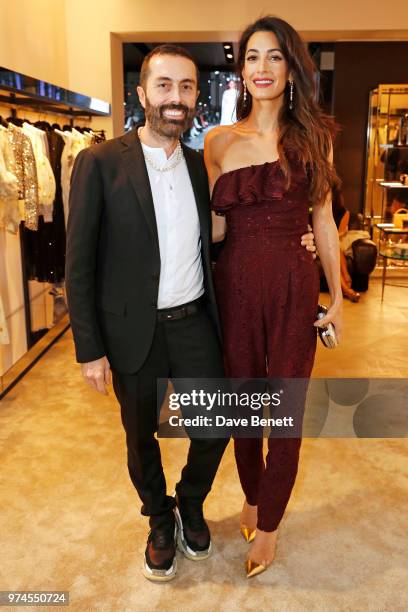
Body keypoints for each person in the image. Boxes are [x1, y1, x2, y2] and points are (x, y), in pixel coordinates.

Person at [66, 43, 316, 583]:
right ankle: (159, 520)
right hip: (131, 329)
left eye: (185, 88)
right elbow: (78, 261)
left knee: (216, 424)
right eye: (163, 86)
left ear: (196, 97)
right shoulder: (100, 162)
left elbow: (224, 234)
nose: (174, 99)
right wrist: (90, 347)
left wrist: (296, 243)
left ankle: (191, 501)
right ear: (142, 93)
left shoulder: (203, 162)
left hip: (196, 321)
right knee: (141, 436)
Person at [205, 16, 343, 578]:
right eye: (252, 57)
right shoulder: (217, 142)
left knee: (284, 407)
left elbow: (325, 221)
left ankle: (270, 525)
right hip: (234, 281)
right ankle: (253, 492)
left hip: (292, 281)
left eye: (274, 57)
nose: (262, 68)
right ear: (241, 69)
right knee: (242, 399)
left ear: (291, 69)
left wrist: (335, 294)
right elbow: (211, 229)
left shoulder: (314, 140)